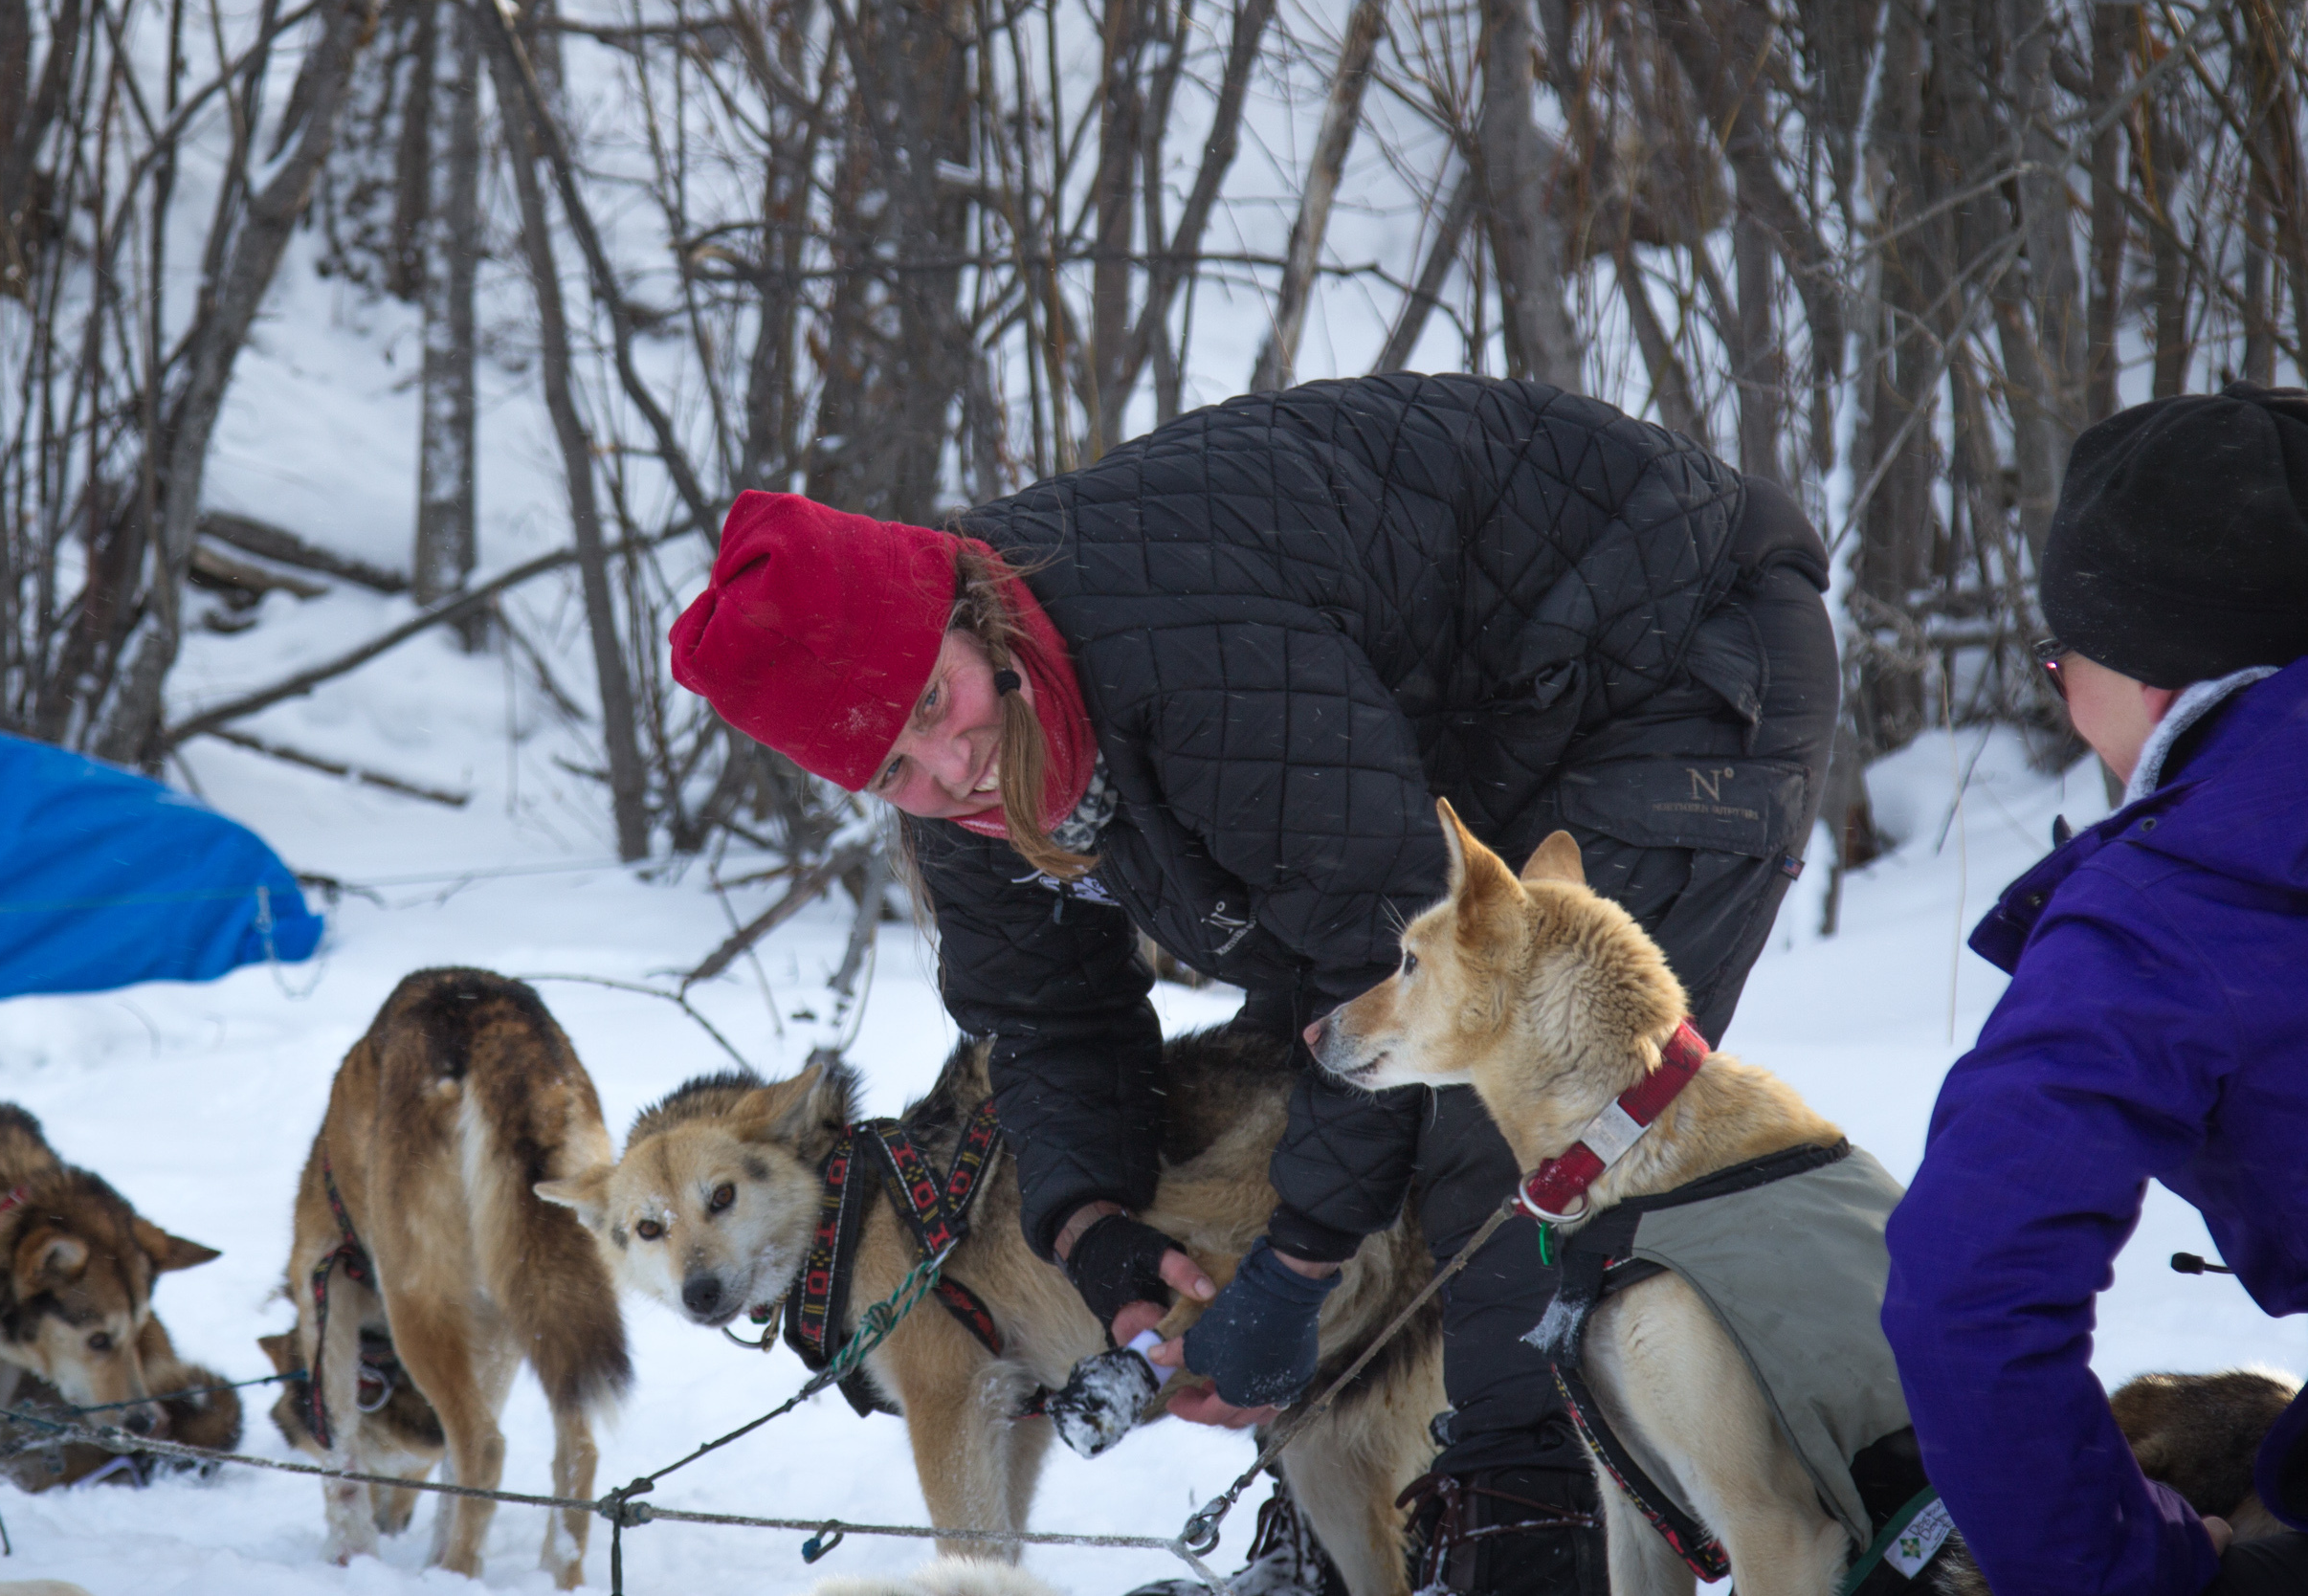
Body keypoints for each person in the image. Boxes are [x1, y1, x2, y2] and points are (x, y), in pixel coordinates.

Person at [669, 373, 1837, 1596]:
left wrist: (1296, 1268)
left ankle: (1526, 1527)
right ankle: (1349, 1519)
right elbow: (1047, 1016)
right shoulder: (974, 803)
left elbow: (1369, 935)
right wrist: (1091, 1228)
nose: (950, 765)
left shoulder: (1165, 638)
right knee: (1306, 1077)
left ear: (970, 617)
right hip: (1468, 742)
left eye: (933, 704)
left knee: (1509, 1118)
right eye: (892, 767)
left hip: (1672, 645)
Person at [1882, 381, 2308, 1596]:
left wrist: (2127, 1570)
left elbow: (1968, 1289)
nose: (2062, 693)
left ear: (2153, 682)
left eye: (2060, 658)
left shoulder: (2175, 897)